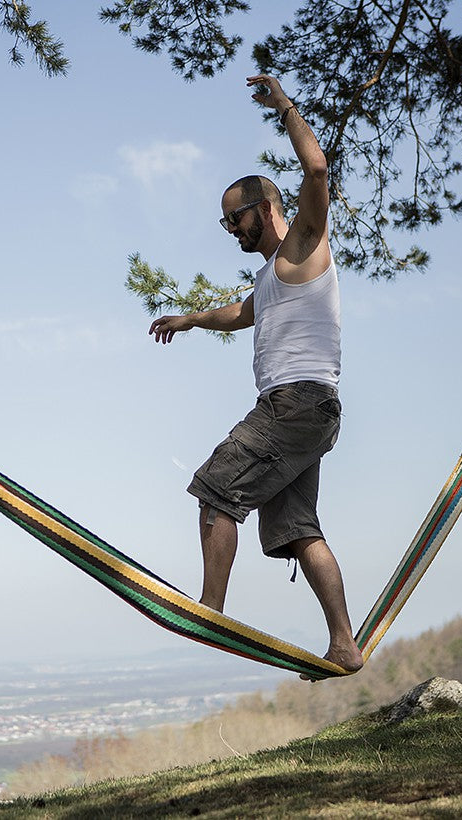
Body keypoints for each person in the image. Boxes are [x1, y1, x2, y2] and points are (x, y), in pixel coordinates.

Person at [148, 75, 364, 673]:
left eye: (233, 220)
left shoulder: (303, 242)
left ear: (263, 208)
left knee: (216, 491)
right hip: (312, 417)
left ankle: (210, 611)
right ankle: (345, 643)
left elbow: (316, 173)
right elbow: (239, 313)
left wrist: (286, 107)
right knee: (297, 530)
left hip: (292, 407)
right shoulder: (273, 275)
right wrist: (188, 319)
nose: (230, 231)